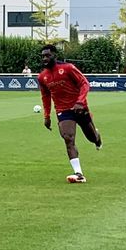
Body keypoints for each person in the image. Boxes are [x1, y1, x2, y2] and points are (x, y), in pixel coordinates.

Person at [38, 44, 102, 184]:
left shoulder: (68, 68)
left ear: (55, 55)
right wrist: (46, 116)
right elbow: (46, 97)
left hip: (79, 108)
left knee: (91, 137)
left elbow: (84, 84)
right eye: (43, 56)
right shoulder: (42, 77)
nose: (45, 58)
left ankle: (97, 138)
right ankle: (78, 173)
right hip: (63, 111)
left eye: (48, 55)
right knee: (68, 138)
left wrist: (80, 101)